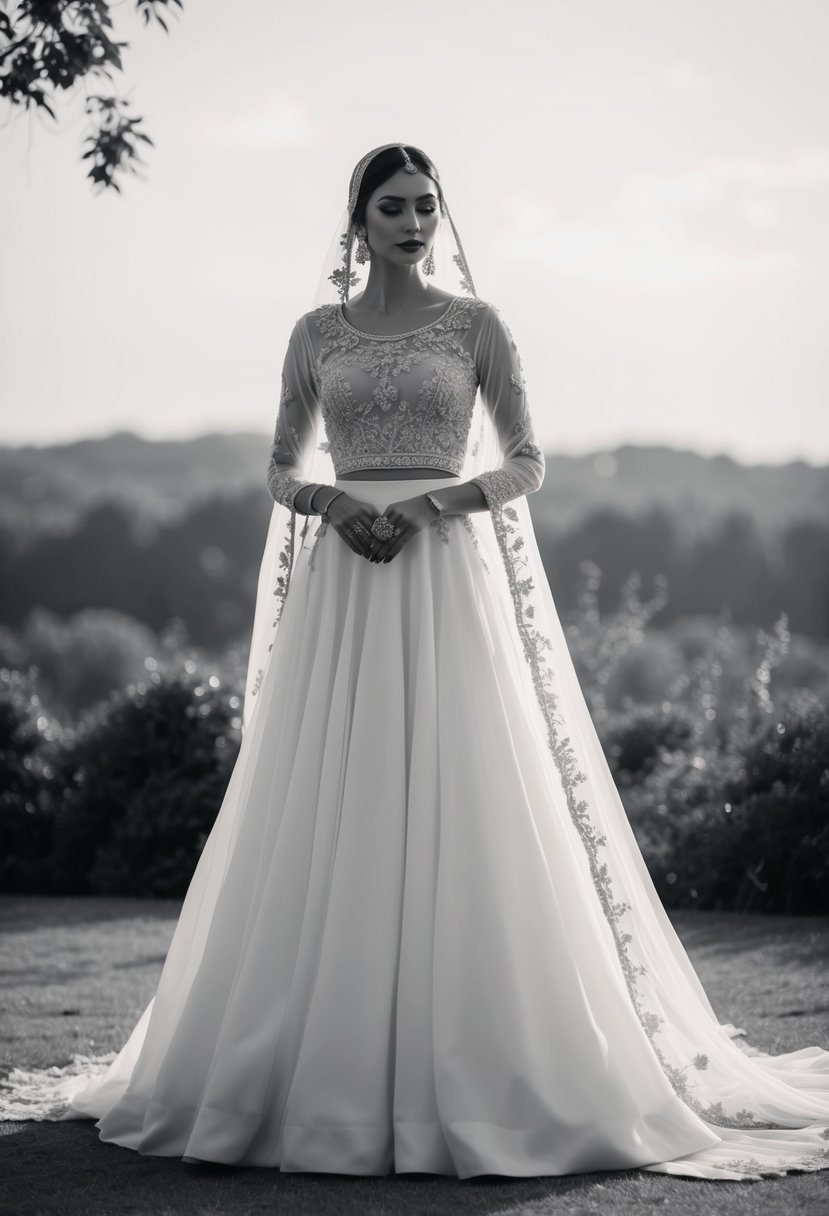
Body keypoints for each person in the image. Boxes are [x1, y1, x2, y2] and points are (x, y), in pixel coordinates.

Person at [2, 143, 828, 1183]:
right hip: (346, 587)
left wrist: (438, 502)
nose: (411, 220)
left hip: (444, 572)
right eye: (391, 205)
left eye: (425, 206)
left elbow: (528, 459)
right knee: (329, 797)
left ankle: (493, 1068)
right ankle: (309, 1072)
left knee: (464, 790)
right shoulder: (314, 335)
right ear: (356, 218)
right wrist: (333, 502)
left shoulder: (477, 328)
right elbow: (277, 466)